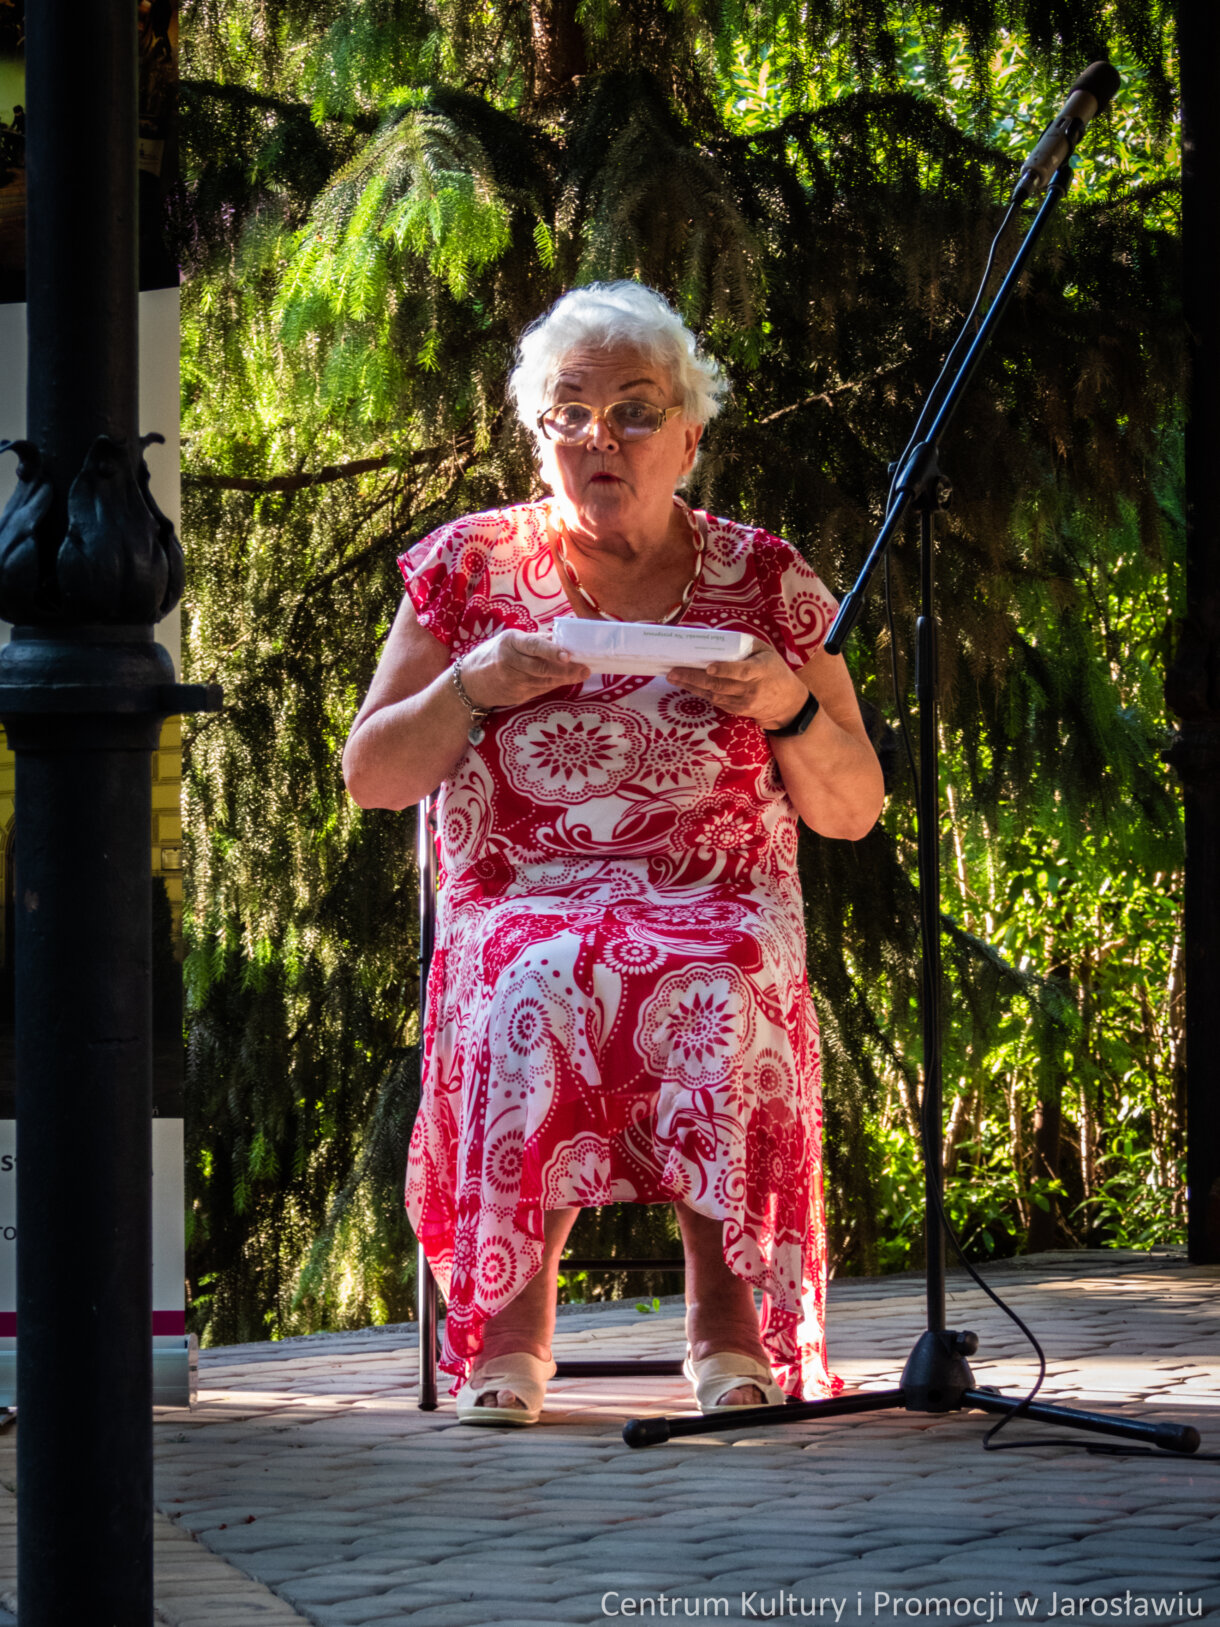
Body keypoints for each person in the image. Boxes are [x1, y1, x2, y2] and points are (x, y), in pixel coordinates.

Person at [343, 281, 884, 1424]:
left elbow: (851, 808)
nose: (602, 440)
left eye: (635, 412)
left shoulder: (764, 578)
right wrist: (471, 684)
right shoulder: (468, 569)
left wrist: (785, 704)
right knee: (538, 971)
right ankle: (508, 1339)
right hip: (520, 897)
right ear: (536, 434)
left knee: (717, 975)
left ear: (689, 435)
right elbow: (373, 776)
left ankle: (726, 1333)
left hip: (719, 899)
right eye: (571, 413)